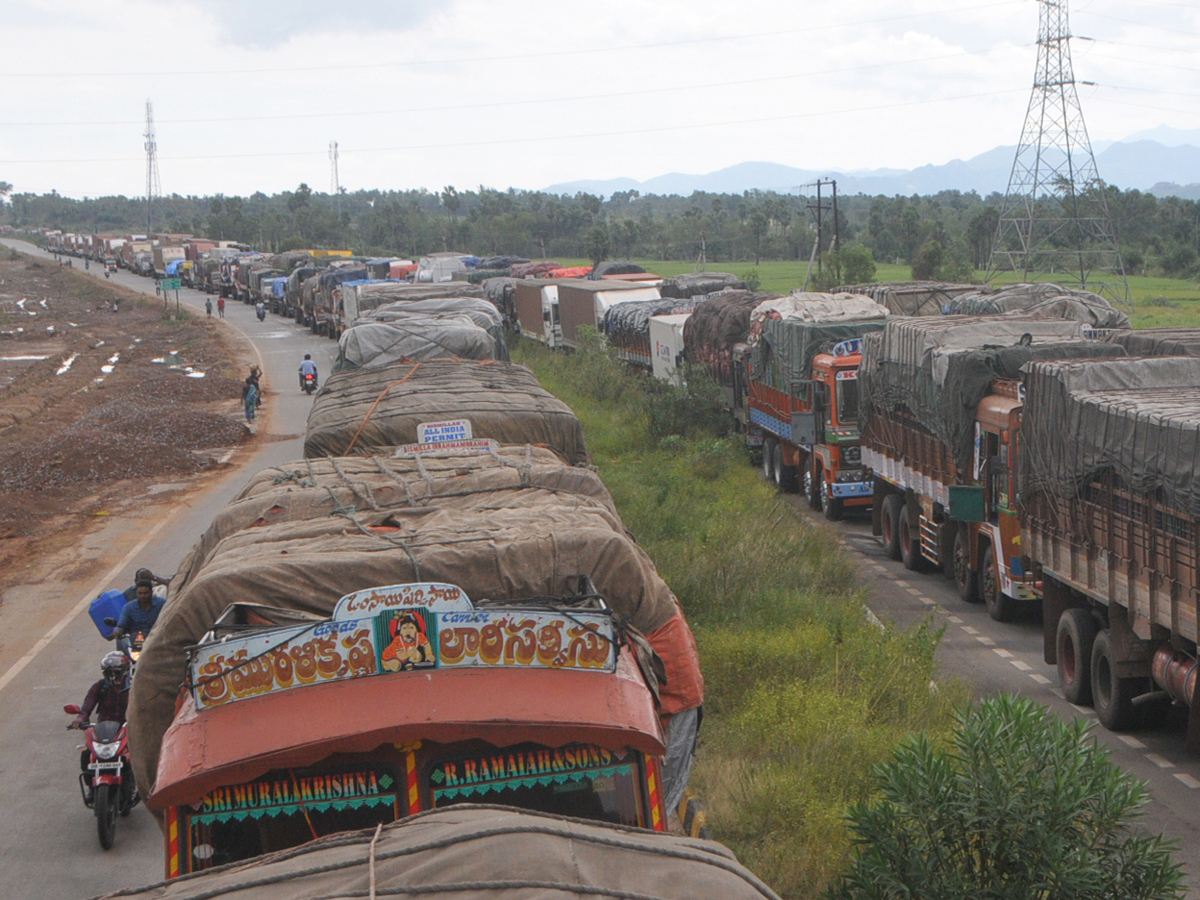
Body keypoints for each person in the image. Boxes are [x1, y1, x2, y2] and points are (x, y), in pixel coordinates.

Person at [70, 653, 130, 730]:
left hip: (130, 729)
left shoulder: (134, 687)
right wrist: (80, 719)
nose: (113, 675)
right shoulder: (100, 686)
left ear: (125, 671)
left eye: (117, 672)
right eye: (109, 673)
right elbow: (87, 705)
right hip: (104, 729)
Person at [110, 579, 165, 645]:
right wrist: (117, 630)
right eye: (140, 593)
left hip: (159, 641)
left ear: (151, 592)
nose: (142, 596)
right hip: (136, 642)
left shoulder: (162, 604)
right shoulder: (129, 608)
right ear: (136, 593)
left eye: (145, 593)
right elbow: (121, 625)